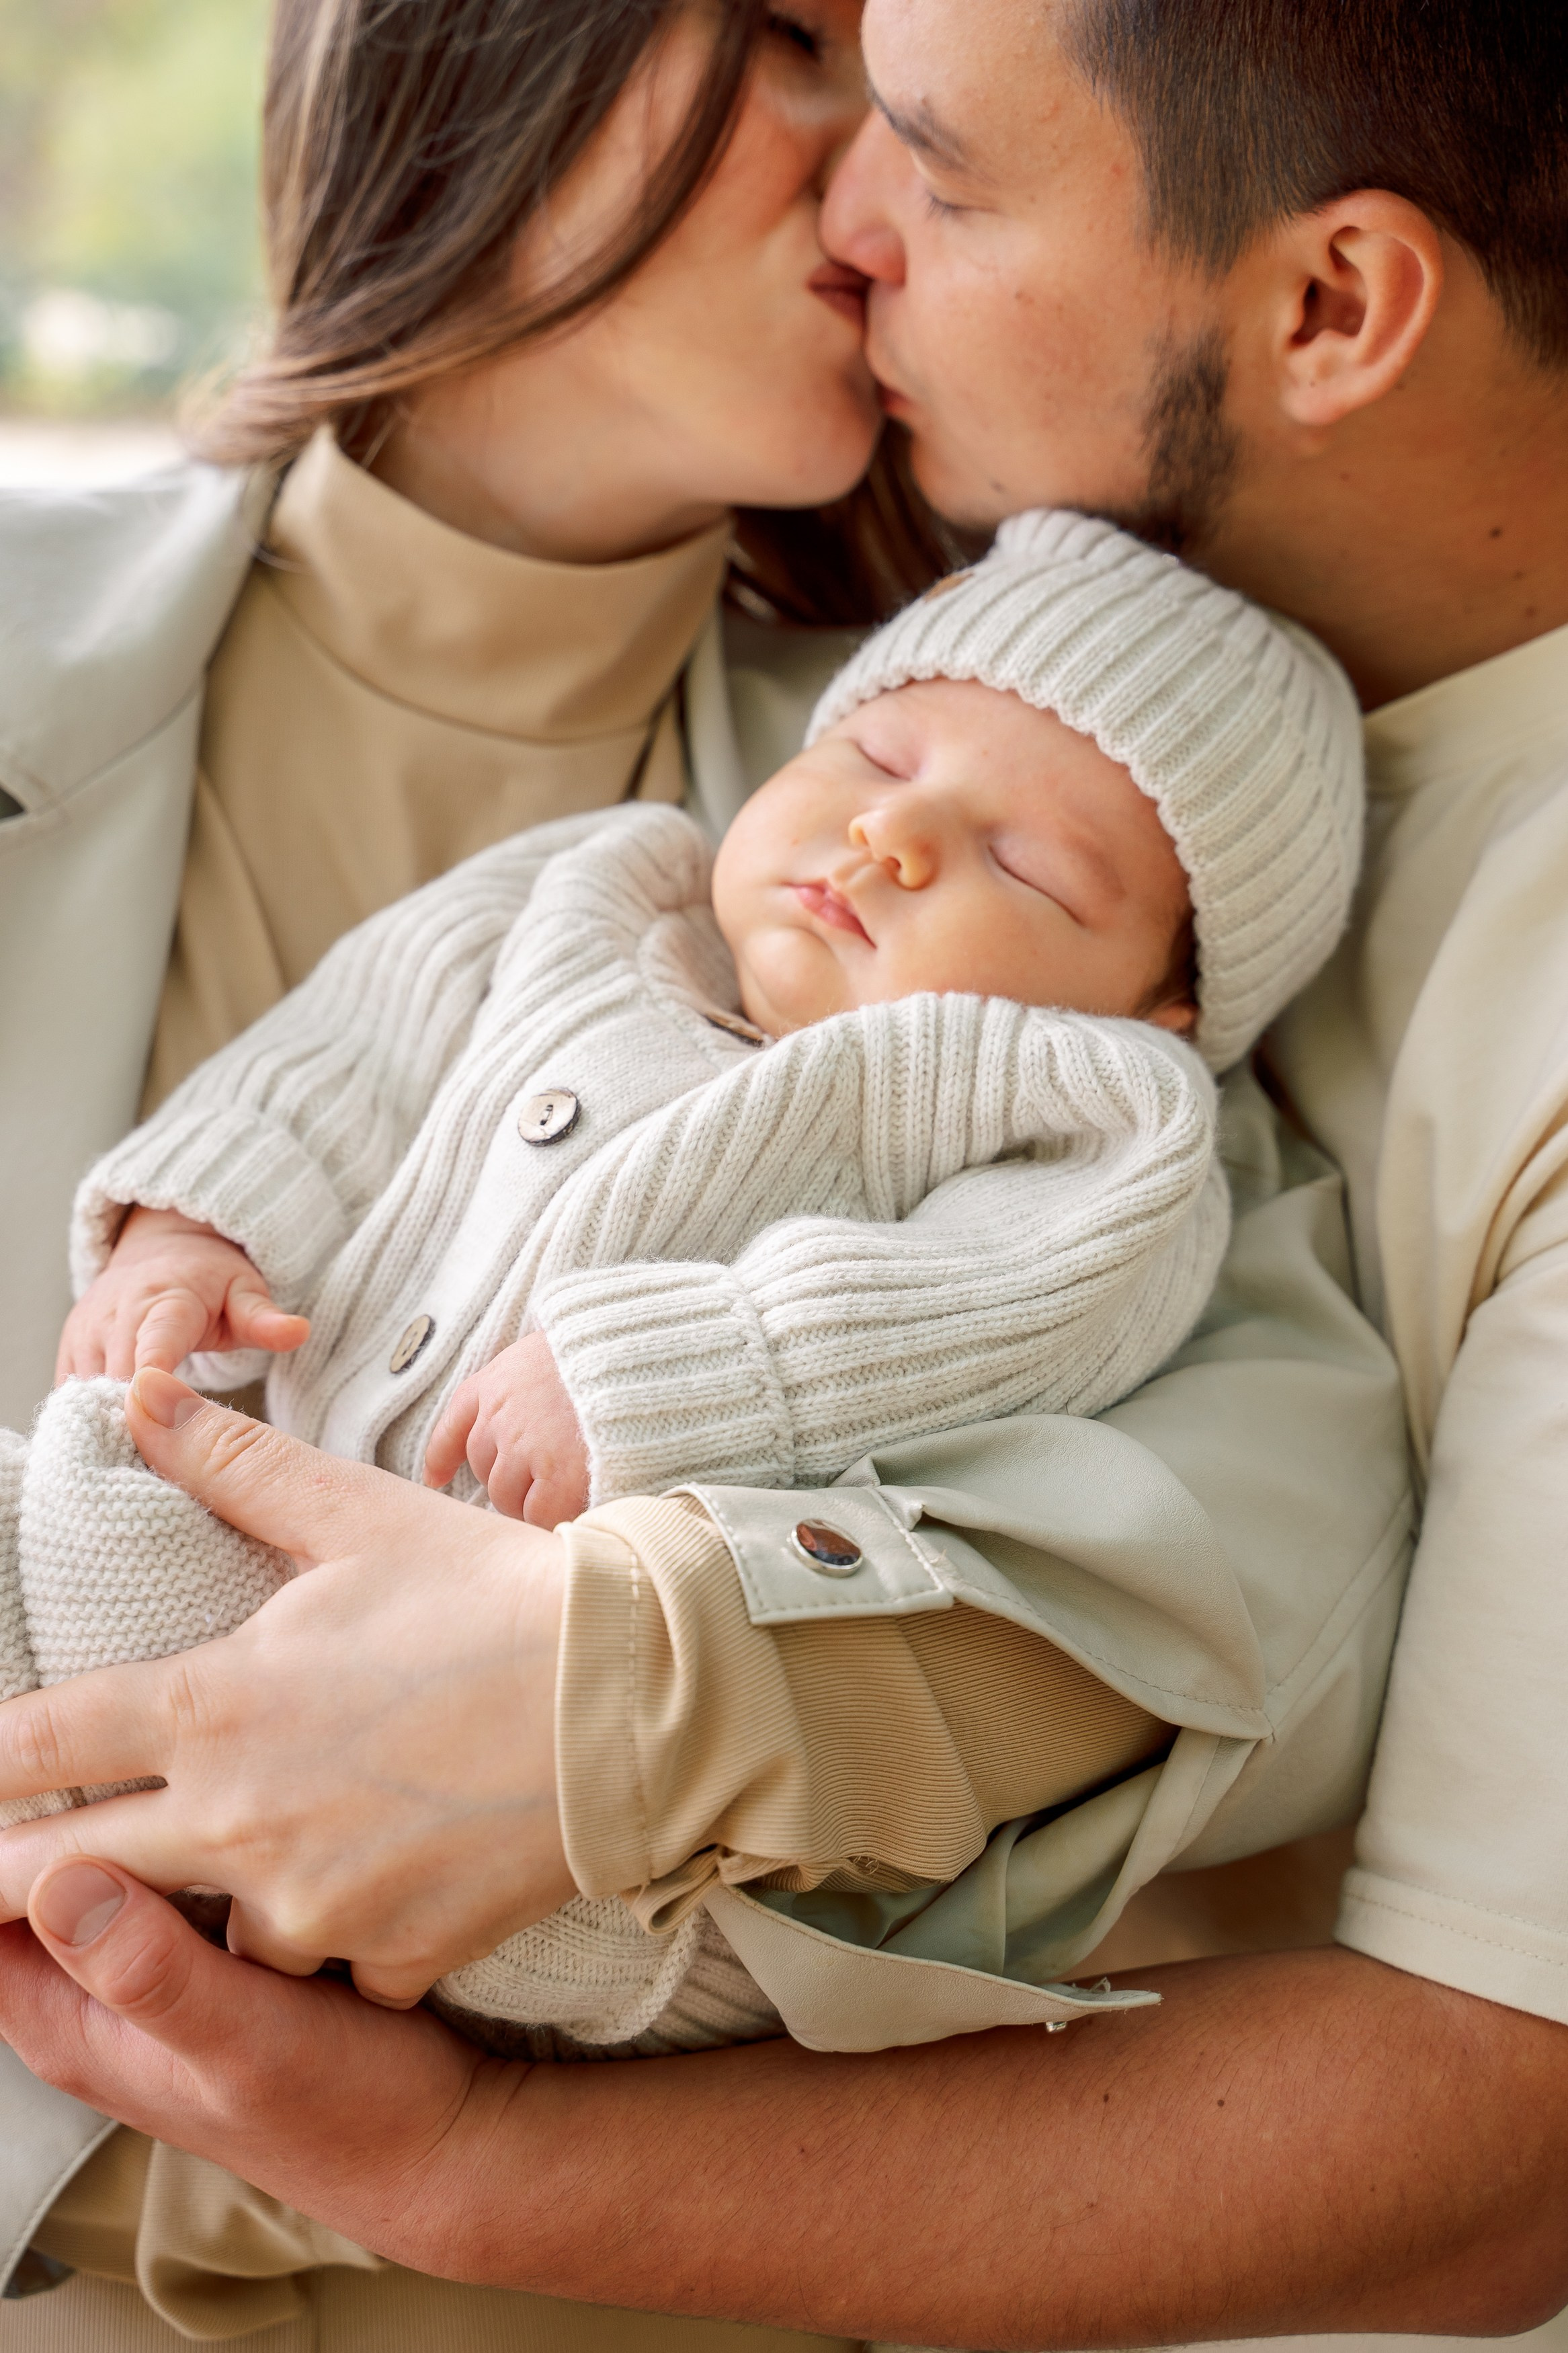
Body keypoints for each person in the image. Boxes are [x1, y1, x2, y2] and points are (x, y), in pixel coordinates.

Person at [28, 4, 1566, 2353]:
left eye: (941, 149)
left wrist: (638, 1691)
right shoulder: (718, 832)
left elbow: (1227, 1510)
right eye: (780, 34)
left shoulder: (1025, 873)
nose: (865, 194)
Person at [6, 512, 1361, 2066]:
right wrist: (192, 1231)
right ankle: (124, 1812)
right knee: (70, 1497)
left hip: (565, 1782)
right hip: (265, 1519)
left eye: (1027, 863)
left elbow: (985, 1304)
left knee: (134, 1609)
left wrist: (661, 1371)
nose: (893, 839)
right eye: (879, 754)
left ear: (1162, 1003)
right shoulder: (599, 885)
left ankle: (143, 1819)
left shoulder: (1085, 1113)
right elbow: (347, 1055)